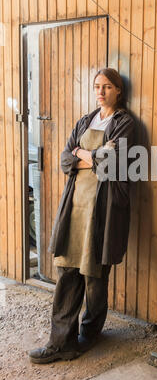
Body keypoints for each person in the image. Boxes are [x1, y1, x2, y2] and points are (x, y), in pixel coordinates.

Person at [29, 68, 135, 364]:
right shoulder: (85, 121)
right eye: (96, 86)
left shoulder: (124, 123)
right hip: (75, 207)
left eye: (107, 87)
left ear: (118, 91)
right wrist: (88, 154)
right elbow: (65, 159)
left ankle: (89, 334)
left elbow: (111, 164)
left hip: (103, 208)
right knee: (67, 272)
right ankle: (61, 342)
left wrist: (81, 152)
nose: (100, 92)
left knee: (95, 275)